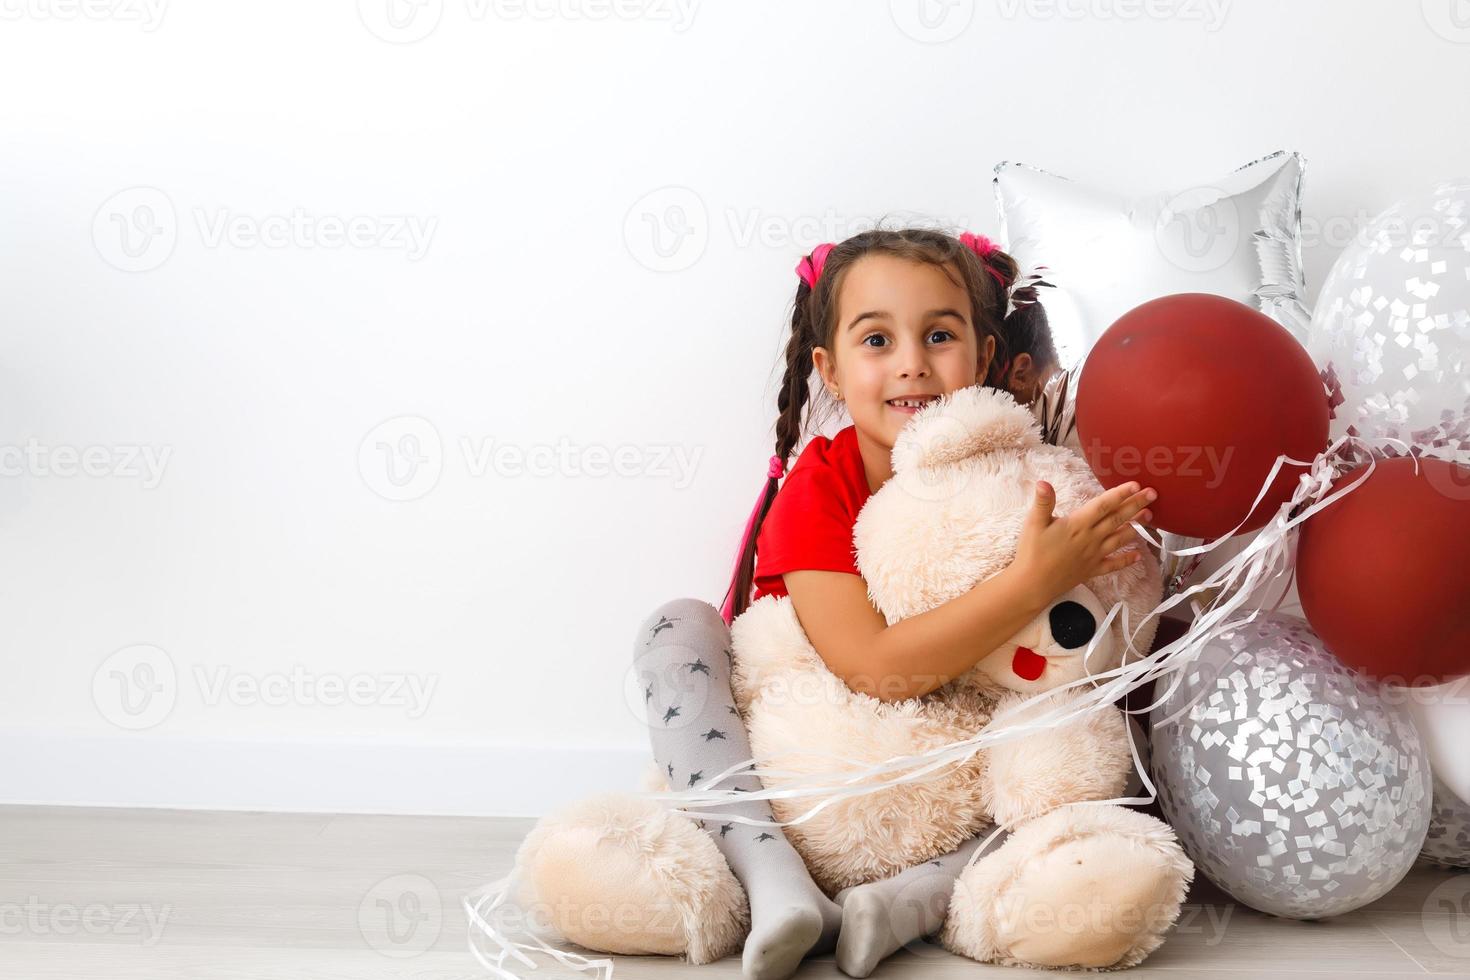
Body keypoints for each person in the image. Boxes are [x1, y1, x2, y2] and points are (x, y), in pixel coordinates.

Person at [632, 227, 1155, 979]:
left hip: (950, 777)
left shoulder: (1019, 478)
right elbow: (874, 670)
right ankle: (771, 876)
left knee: (1076, 756)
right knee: (676, 625)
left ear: (981, 356)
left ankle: (909, 901)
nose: (912, 361)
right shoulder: (819, 488)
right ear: (831, 372)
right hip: (814, 777)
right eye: (876, 339)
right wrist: (1031, 583)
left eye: (938, 334)